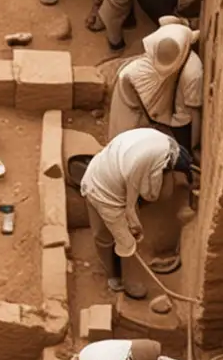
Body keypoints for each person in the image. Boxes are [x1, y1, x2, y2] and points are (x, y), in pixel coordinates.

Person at [79, 128, 194, 299]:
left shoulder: (165, 145)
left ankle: (122, 265)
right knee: (116, 239)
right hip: (102, 192)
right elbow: (138, 202)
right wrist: (133, 225)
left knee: (125, 232)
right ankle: (120, 278)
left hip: (110, 169)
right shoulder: (140, 167)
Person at [108, 23, 203, 151]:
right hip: (133, 90)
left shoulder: (192, 73)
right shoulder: (167, 37)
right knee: (124, 127)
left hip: (179, 122)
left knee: (130, 136)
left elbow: (194, 112)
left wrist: (194, 147)